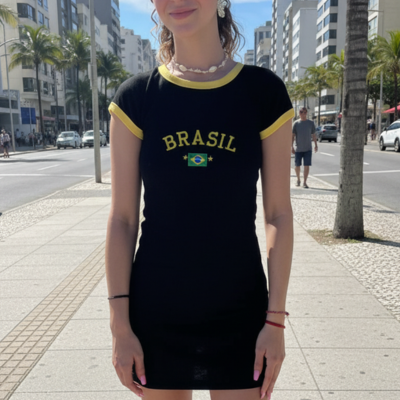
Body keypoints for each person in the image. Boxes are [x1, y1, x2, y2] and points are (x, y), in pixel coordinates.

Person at [106, 2, 294, 400]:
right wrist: (120, 326)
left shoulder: (263, 93)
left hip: (241, 313)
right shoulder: (136, 98)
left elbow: (278, 214)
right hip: (156, 314)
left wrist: (275, 321)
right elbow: (122, 220)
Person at [292, 107, 318, 188]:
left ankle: (305, 182)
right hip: (298, 149)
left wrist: (316, 145)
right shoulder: (296, 123)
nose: (303, 113)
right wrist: (291, 146)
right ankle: (298, 179)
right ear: (299, 113)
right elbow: (292, 136)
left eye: (304, 112)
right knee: (297, 166)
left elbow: (313, 135)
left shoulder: (311, 123)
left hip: (308, 149)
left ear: (306, 113)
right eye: (301, 112)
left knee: (306, 165)